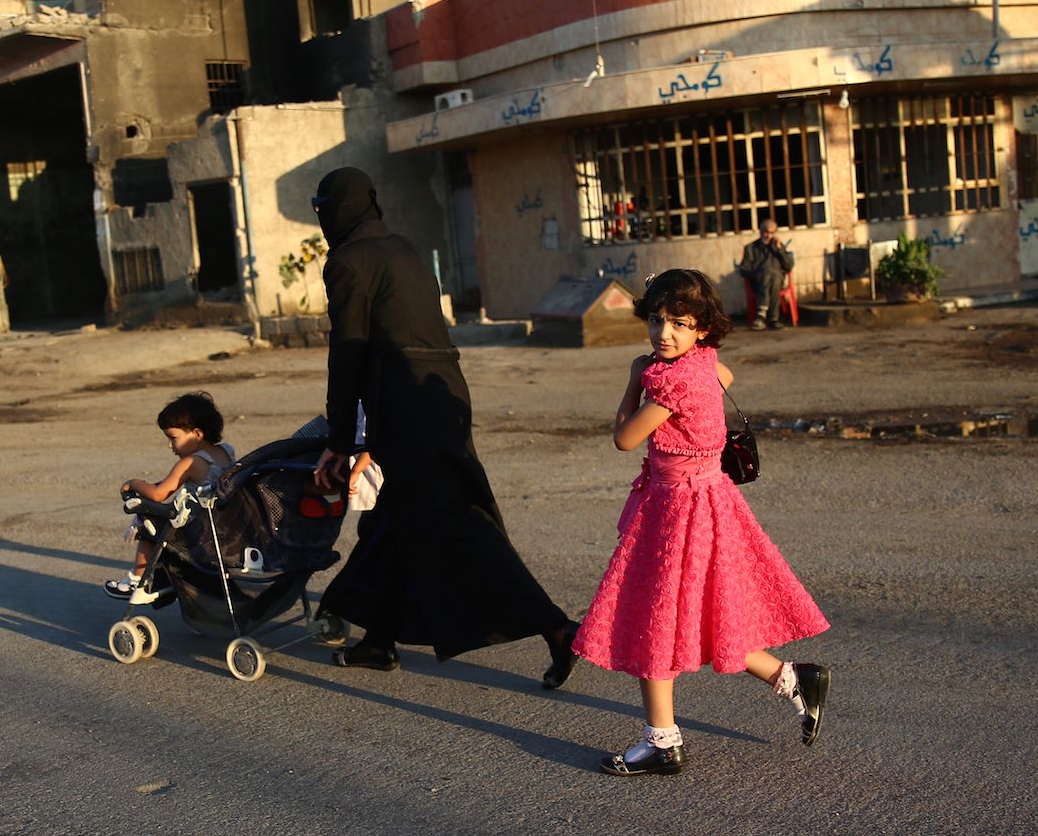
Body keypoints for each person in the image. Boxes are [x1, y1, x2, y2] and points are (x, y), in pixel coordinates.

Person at [307, 166, 578, 684]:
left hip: (408, 403)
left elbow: (348, 355)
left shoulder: (348, 260)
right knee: (398, 520)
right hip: (444, 390)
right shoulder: (406, 248)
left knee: (456, 521)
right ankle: (378, 641)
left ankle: (558, 629)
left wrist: (340, 442)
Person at [572, 268, 831, 775]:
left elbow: (625, 438)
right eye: (656, 320)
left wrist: (632, 383)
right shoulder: (704, 363)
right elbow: (725, 377)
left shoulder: (671, 385)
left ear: (702, 329)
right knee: (705, 616)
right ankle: (791, 677)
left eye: (679, 324)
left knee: (655, 619)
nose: (663, 333)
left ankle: (663, 742)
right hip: (706, 502)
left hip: (679, 512)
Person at [106, 391, 236, 603]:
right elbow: (170, 485)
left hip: (197, 532)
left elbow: (159, 495)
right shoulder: (225, 452)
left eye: (173, 438)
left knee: (147, 523)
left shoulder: (191, 463)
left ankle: (137, 580)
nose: (170, 445)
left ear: (197, 434)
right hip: (222, 527)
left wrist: (135, 483)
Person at [740, 218, 795, 329]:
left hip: (777, 281)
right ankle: (774, 319)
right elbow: (744, 269)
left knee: (772, 276)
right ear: (760, 231)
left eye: (771, 233)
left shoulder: (778, 246)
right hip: (758, 282)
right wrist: (758, 273)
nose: (768, 235)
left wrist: (779, 250)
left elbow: (789, 266)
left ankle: (761, 315)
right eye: (766, 232)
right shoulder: (751, 248)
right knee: (768, 274)